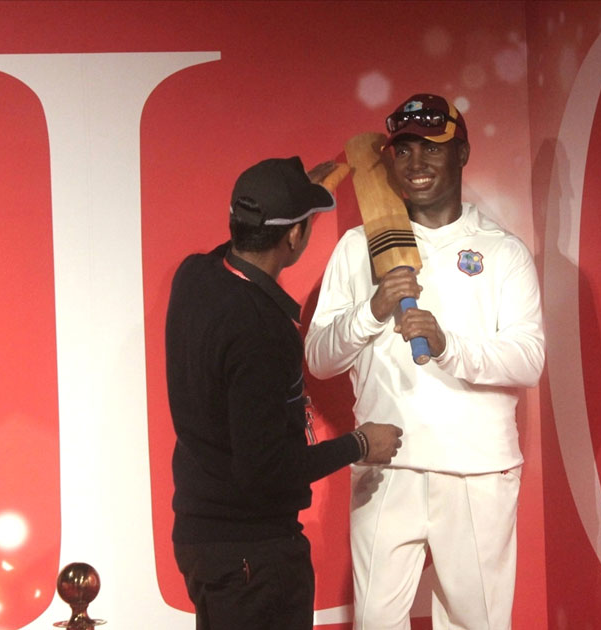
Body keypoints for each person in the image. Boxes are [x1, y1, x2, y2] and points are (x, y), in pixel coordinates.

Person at [305, 94, 545, 629]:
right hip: (387, 459)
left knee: (475, 622)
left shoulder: (502, 251)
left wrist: (446, 344)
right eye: (404, 151)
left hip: (478, 466)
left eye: (431, 149)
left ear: (461, 153)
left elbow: (529, 359)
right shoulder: (355, 247)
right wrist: (372, 310)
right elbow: (319, 358)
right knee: (376, 622)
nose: (415, 165)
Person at [165, 156, 403, 630]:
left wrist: (286, 199)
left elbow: (238, 246)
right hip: (254, 558)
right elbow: (267, 470)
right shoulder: (262, 332)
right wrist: (361, 444)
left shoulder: (193, 276)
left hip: (202, 542)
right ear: (294, 237)